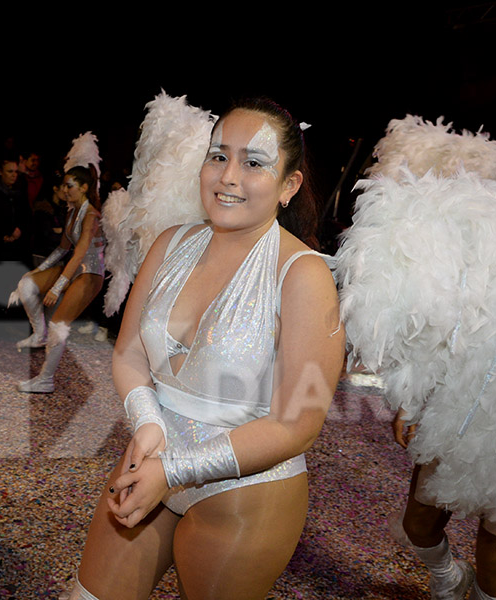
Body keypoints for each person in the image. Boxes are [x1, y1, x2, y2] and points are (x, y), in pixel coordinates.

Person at [61, 98, 344, 599]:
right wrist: (148, 424)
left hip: (246, 492)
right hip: (148, 462)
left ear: (289, 186)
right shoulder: (170, 244)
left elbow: (298, 424)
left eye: (253, 163)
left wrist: (175, 471)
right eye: (219, 156)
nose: (228, 176)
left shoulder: (304, 275)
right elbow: (128, 354)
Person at [369, 121, 496, 600]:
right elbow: (445, 313)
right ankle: (449, 582)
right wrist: (414, 399)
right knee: (417, 524)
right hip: (461, 410)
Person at [11, 165, 105, 394]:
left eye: (69, 185)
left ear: (83, 187)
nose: (64, 189)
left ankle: (45, 379)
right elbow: (63, 248)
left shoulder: (91, 215)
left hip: (90, 273)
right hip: (75, 267)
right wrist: (37, 271)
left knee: (58, 327)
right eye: (63, 185)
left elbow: (80, 253)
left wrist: (58, 286)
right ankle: (38, 333)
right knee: (26, 285)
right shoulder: (72, 211)